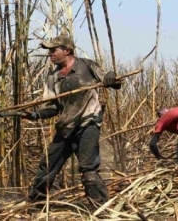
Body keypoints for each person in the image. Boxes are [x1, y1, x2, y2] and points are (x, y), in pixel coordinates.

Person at [19, 33, 122, 209]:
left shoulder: (87, 65)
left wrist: (111, 78)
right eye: (49, 50)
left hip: (88, 123)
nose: (50, 54)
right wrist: (34, 115)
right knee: (48, 165)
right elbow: (53, 108)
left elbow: (111, 80)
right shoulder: (53, 77)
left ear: (67, 50)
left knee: (88, 168)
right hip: (66, 126)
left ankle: (99, 207)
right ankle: (36, 203)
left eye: (53, 50)